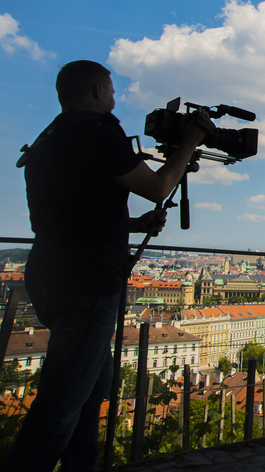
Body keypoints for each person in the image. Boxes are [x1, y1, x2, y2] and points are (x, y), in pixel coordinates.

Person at [3, 60, 205, 472]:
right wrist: (189, 142)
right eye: (111, 90)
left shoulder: (53, 137)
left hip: (50, 271)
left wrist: (134, 224)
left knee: (92, 385)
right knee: (62, 402)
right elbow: (158, 187)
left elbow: (73, 215)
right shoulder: (97, 135)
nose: (114, 98)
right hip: (86, 279)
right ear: (97, 90)